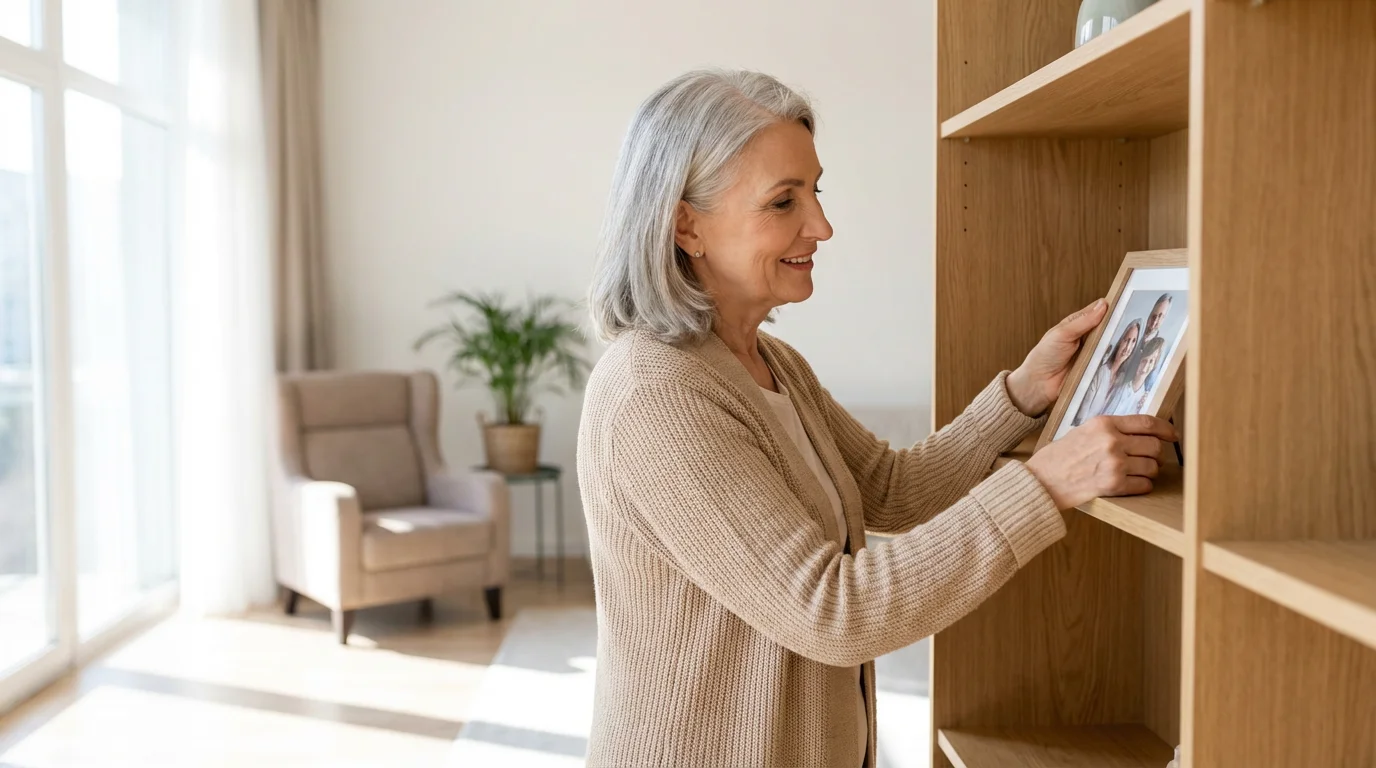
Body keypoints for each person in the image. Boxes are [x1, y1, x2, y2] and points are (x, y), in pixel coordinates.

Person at [578, 69, 1175, 768]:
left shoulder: (769, 361)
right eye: (782, 201)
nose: (822, 226)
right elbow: (832, 613)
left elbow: (890, 490)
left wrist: (1021, 394)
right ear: (686, 223)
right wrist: (1044, 485)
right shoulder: (656, 394)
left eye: (815, 190)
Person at [1070, 318, 1141, 427]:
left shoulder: (1121, 379)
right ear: (1120, 341)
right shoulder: (1102, 371)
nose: (1128, 347)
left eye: (1133, 341)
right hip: (1081, 430)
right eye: (1126, 340)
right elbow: (1081, 414)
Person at [1104, 336, 1166, 417]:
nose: (1145, 367)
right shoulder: (1119, 382)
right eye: (1144, 360)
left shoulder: (1143, 402)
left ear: (1154, 365)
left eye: (1151, 361)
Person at [1126, 293, 1174, 392]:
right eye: (1154, 315)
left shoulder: (1160, 347)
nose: (1155, 321)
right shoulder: (1135, 331)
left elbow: (1150, 383)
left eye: (1160, 316)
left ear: (1164, 319)